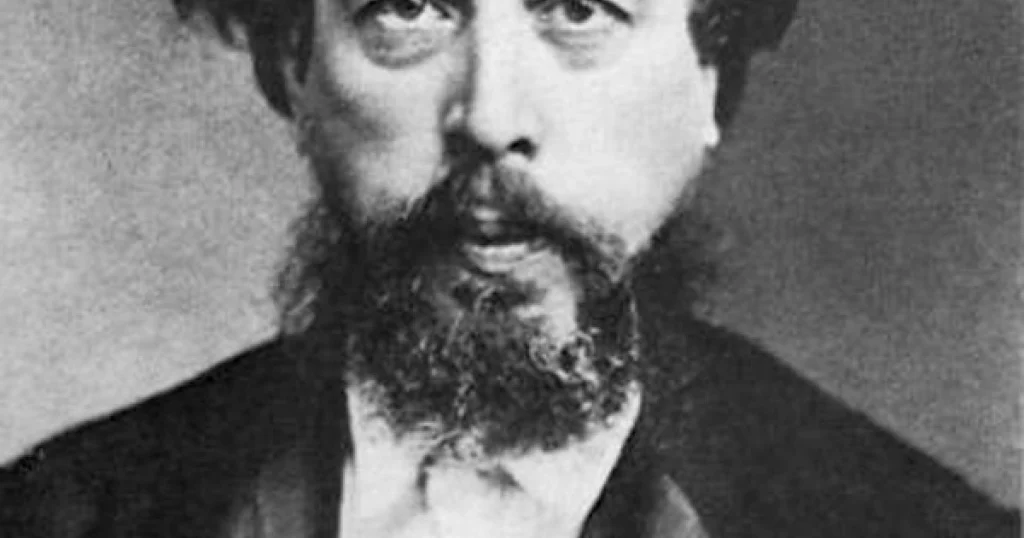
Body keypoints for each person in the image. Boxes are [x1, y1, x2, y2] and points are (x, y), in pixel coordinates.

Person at [0, 0, 1018, 536]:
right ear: (291, 68)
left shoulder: (904, 526)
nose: (490, 117)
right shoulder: (60, 517)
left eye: (578, 9)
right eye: (407, 9)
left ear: (710, 74)